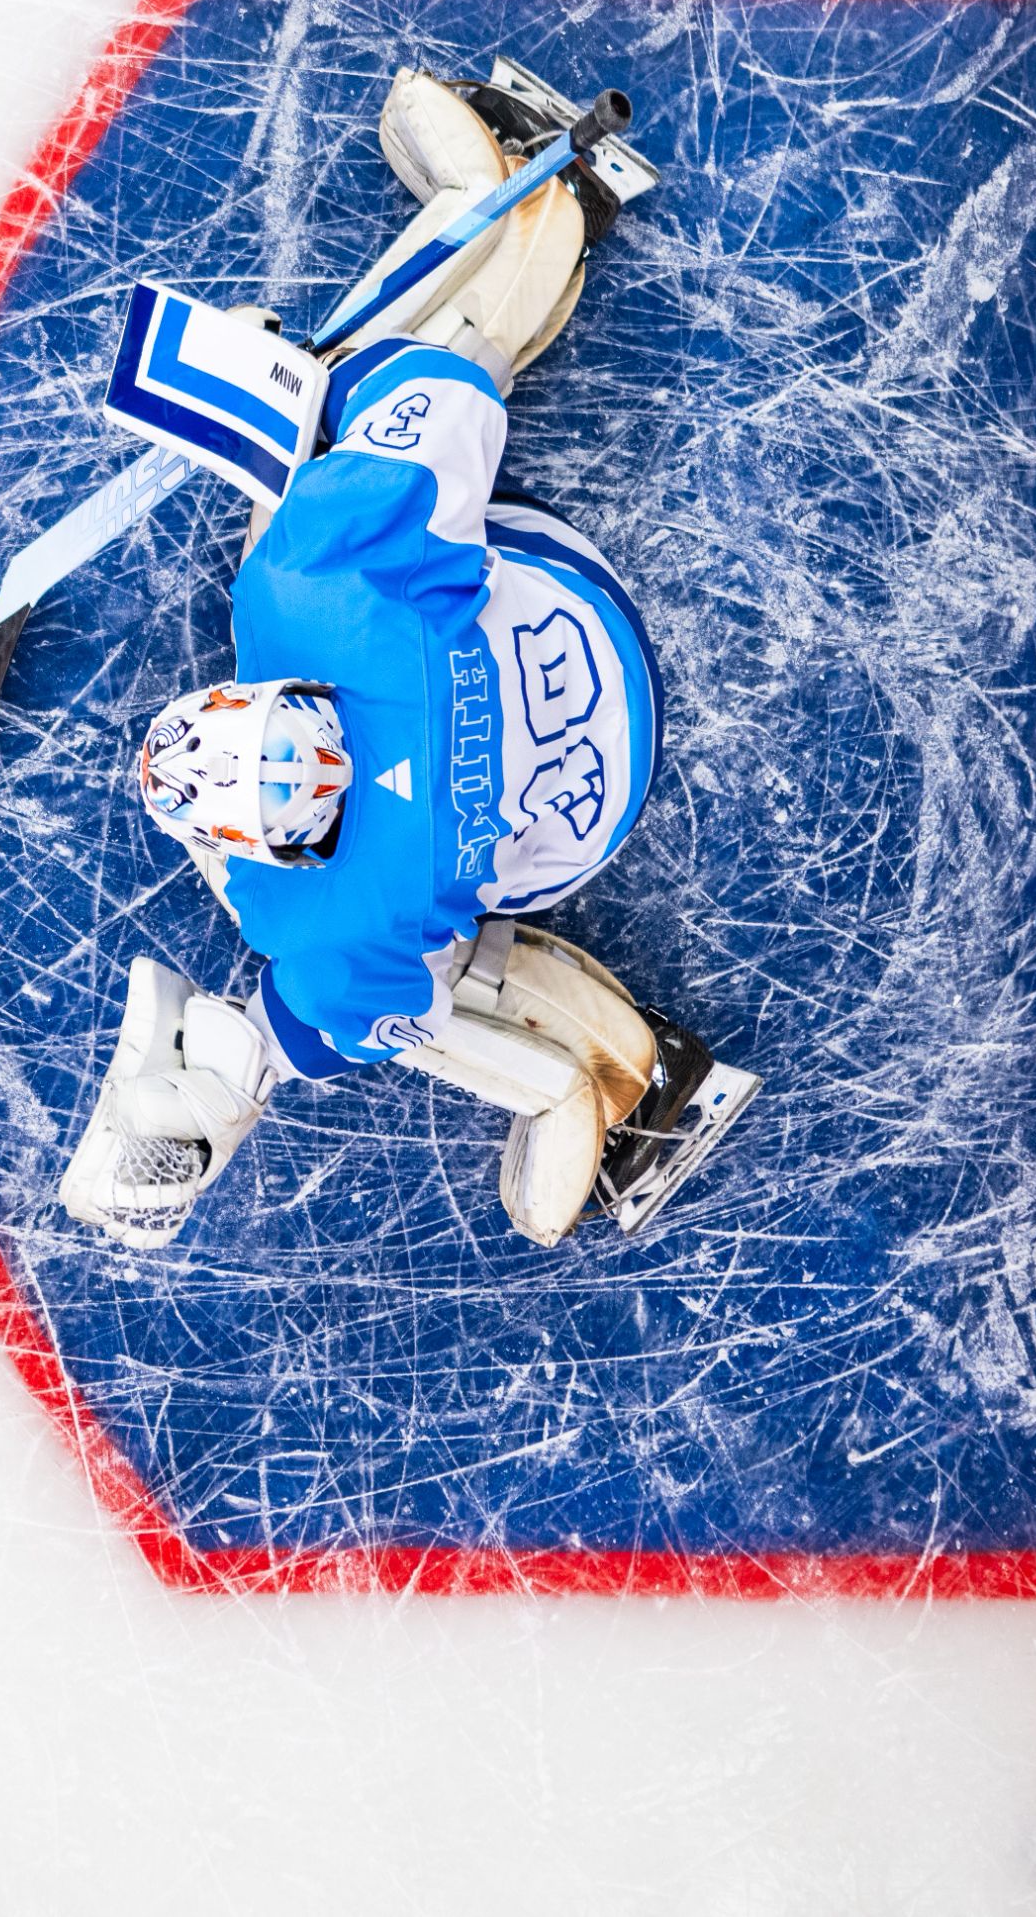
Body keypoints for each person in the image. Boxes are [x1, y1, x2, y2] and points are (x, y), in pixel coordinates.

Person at [62, 70, 725, 1251]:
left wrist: (217, 1088)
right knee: (401, 378)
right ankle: (525, 197)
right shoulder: (315, 592)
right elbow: (446, 393)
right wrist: (315, 416)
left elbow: (315, 1029)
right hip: (578, 624)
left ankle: (614, 1080)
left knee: (432, 975)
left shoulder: (334, 931)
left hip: (583, 821)